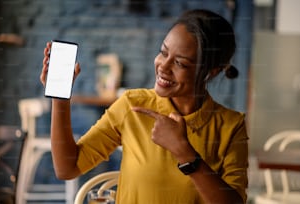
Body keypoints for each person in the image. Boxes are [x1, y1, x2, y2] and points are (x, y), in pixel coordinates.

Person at [40, 9, 248, 204]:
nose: (163, 67)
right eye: (163, 53)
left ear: (211, 71)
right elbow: (68, 167)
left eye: (180, 63)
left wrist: (184, 153)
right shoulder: (132, 105)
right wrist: (60, 97)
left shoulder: (231, 126)